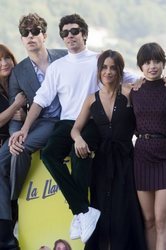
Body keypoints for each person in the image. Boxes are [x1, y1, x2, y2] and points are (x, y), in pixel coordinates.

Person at [9, 14, 139, 244]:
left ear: (84, 34)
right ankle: (82, 211)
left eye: (74, 31)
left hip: (92, 122)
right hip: (67, 122)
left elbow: (129, 78)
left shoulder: (98, 60)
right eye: (65, 33)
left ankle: (81, 213)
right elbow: (41, 99)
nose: (69, 36)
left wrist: (159, 80)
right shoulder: (57, 67)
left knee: (80, 159)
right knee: (50, 154)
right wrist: (25, 130)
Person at [0, 13, 66, 248]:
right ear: (21, 39)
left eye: (35, 31)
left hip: (66, 121)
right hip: (42, 123)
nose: (30, 36)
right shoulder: (19, 72)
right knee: (8, 154)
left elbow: (95, 70)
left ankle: (12, 201)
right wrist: (15, 134)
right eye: (25, 33)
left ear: (44, 35)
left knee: (20, 150)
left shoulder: (64, 57)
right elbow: (15, 112)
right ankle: (11, 210)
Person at [71, 49, 146, 250]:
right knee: (100, 209)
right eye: (104, 67)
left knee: (125, 210)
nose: (108, 72)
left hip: (127, 159)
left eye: (113, 67)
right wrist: (78, 139)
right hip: (101, 162)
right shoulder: (91, 99)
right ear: (99, 70)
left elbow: (151, 89)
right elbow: (75, 129)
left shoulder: (131, 93)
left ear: (120, 70)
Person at [129, 42, 166, 250]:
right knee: (148, 220)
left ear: (163, 63)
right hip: (142, 155)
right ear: (141, 66)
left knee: (161, 219)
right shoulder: (134, 91)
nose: (153, 66)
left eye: (157, 61)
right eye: (147, 62)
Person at [0, 44, 26, 250]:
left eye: (7, 58)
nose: (4, 63)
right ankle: (6, 237)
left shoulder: (20, 81)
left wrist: (23, 116)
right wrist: (15, 106)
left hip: (19, 141)